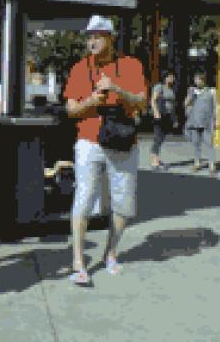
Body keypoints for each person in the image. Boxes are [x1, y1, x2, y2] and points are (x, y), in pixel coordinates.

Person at [63, 15, 147, 286]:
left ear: (110, 38)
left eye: (98, 36)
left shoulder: (131, 65)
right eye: (89, 36)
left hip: (122, 142)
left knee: (123, 202)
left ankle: (111, 252)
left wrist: (117, 90)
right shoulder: (79, 69)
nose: (92, 41)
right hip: (89, 141)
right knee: (84, 199)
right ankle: (78, 261)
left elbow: (142, 102)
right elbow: (71, 110)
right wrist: (91, 100)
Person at [184, 72, 217, 174]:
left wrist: (215, 120)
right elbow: (185, 104)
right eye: (195, 79)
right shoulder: (192, 91)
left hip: (207, 121)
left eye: (199, 79)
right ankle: (197, 163)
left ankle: (212, 165)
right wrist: (190, 96)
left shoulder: (212, 91)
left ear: (203, 80)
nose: (197, 81)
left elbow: (215, 106)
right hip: (194, 120)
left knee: (209, 143)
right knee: (196, 143)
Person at [150, 71, 177, 170]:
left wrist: (174, 119)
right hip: (160, 115)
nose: (172, 78)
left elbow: (173, 106)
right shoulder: (159, 87)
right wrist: (156, 113)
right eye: (170, 76)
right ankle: (154, 162)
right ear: (165, 78)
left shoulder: (171, 89)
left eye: (173, 77)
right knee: (157, 138)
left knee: (161, 138)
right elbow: (153, 100)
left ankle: (156, 159)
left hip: (168, 116)